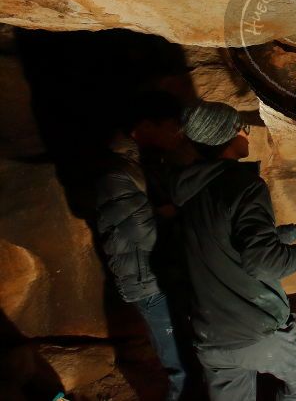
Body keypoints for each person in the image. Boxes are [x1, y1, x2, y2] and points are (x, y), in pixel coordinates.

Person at [171, 100, 296, 401]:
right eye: (241, 128)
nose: (247, 133)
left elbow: (229, 242)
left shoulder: (188, 191)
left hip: (210, 335)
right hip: (255, 331)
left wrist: (294, 232)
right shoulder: (244, 185)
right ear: (227, 137)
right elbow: (262, 262)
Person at [94, 91, 191, 401]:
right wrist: (171, 213)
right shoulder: (117, 173)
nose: (179, 133)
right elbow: (146, 233)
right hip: (147, 282)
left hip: (161, 274)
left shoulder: (144, 164)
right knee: (181, 367)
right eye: (173, 126)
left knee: (187, 359)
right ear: (147, 125)